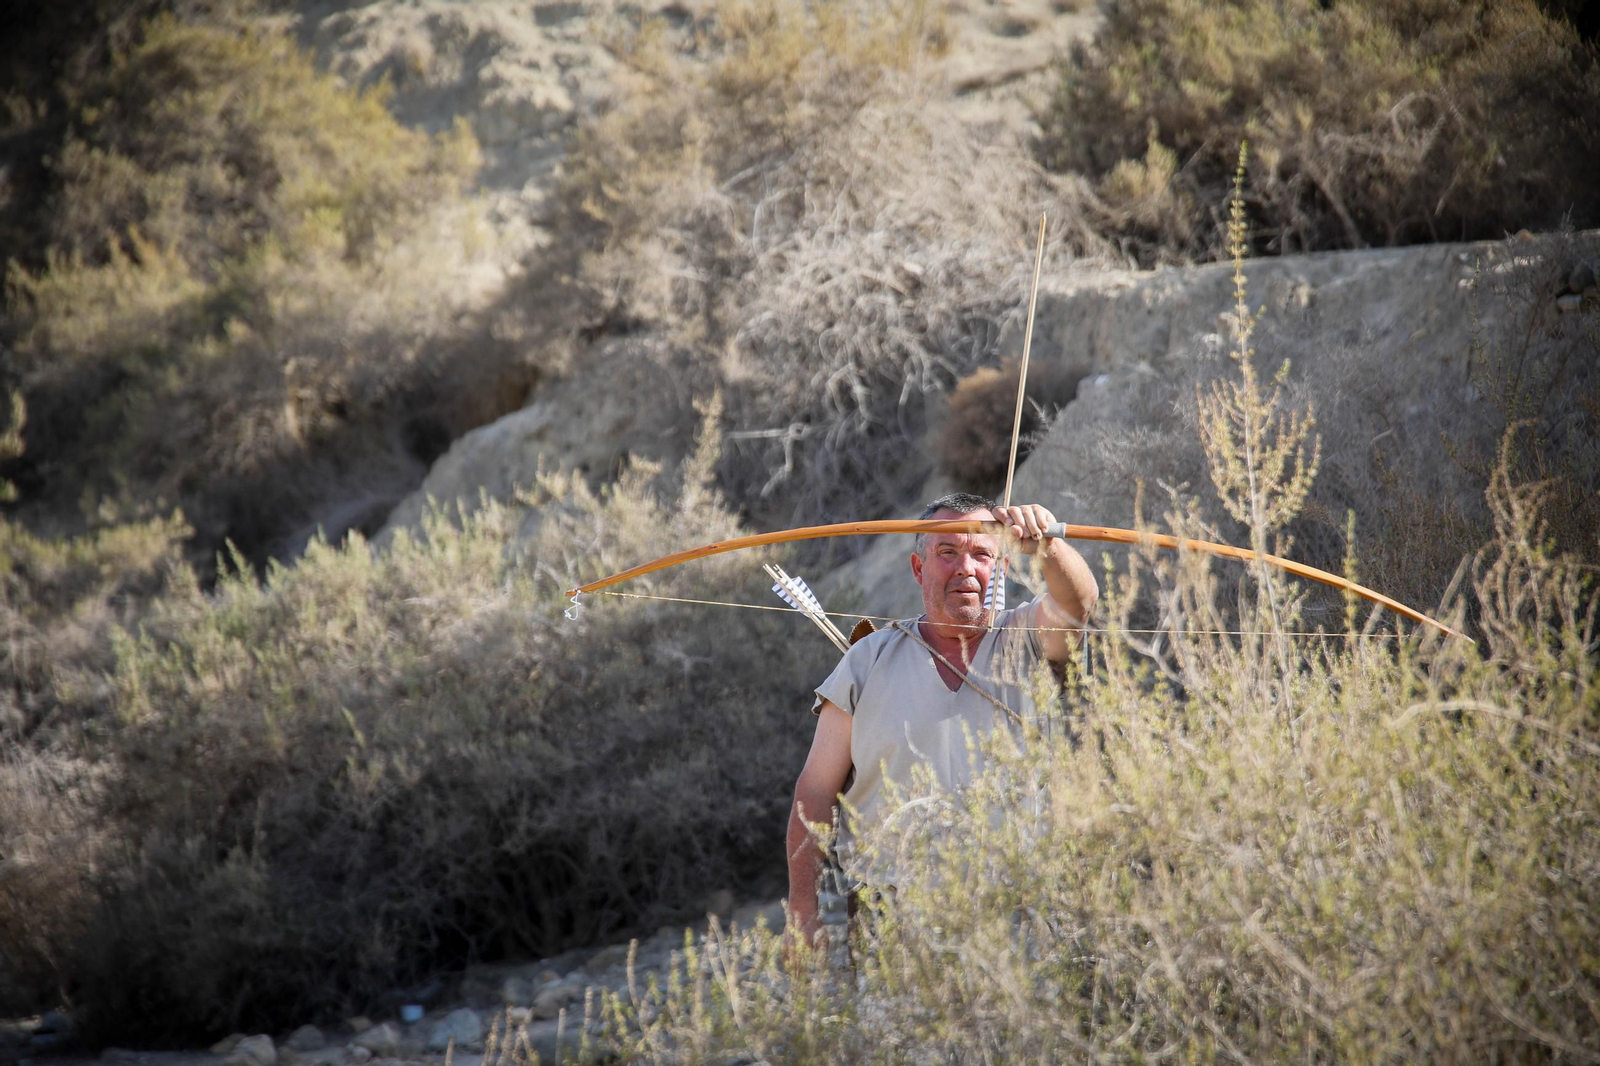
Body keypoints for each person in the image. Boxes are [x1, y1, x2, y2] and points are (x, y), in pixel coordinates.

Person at [785, 492, 1099, 947]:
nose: (965, 569)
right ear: (919, 568)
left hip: (1018, 916)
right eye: (947, 553)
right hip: (890, 922)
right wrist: (802, 908)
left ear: (1001, 569)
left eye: (981, 554)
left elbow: (1079, 604)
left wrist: (1048, 546)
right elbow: (814, 791)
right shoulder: (867, 659)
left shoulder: (1028, 637)